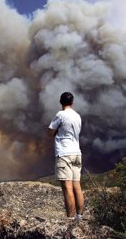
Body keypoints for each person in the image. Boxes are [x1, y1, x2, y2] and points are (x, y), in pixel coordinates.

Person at [48, 92, 84, 220]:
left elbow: (50, 132)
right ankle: (79, 217)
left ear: (60, 101)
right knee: (77, 186)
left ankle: (69, 219)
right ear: (72, 102)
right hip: (77, 153)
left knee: (67, 187)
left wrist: (57, 131)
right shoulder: (77, 116)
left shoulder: (60, 115)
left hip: (64, 154)